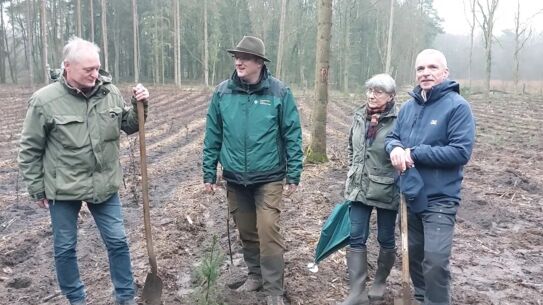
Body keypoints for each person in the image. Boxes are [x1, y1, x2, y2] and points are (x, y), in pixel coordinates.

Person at [18, 37, 150, 305]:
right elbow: (30, 149)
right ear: (67, 67)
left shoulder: (109, 92)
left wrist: (141, 105)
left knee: (118, 242)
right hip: (63, 188)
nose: (95, 74)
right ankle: (76, 299)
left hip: (103, 183)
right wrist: (36, 188)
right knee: (65, 248)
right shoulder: (44, 101)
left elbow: (129, 125)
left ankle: (125, 298)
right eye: (88, 69)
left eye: (97, 68)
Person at [202, 35, 303, 305]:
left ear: (259, 62)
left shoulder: (279, 93)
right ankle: (255, 275)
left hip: (268, 177)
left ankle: (273, 290)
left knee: (268, 229)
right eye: (236, 56)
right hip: (235, 177)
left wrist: (294, 172)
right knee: (246, 230)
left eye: (244, 57)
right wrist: (209, 172)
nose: (238, 61)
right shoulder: (223, 92)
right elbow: (213, 133)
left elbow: (292, 133)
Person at [385, 49, 476, 305]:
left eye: (432, 68)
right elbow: (393, 138)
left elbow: (460, 152)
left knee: (435, 261)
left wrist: (414, 153)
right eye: (421, 69)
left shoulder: (458, 107)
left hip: (440, 198)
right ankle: (422, 297)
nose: (425, 73)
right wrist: (395, 149)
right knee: (414, 255)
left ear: (445, 73)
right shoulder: (408, 107)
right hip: (410, 194)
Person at [341, 73, 399, 305]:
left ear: (391, 96)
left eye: (379, 92)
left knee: (385, 237)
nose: (372, 96)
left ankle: (379, 282)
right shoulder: (358, 116)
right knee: (356, 237)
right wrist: (352, 172)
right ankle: (357, 292)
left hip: (386, 189)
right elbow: (351, 149)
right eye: (370, 90)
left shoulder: (399, 119)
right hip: (357, 188)